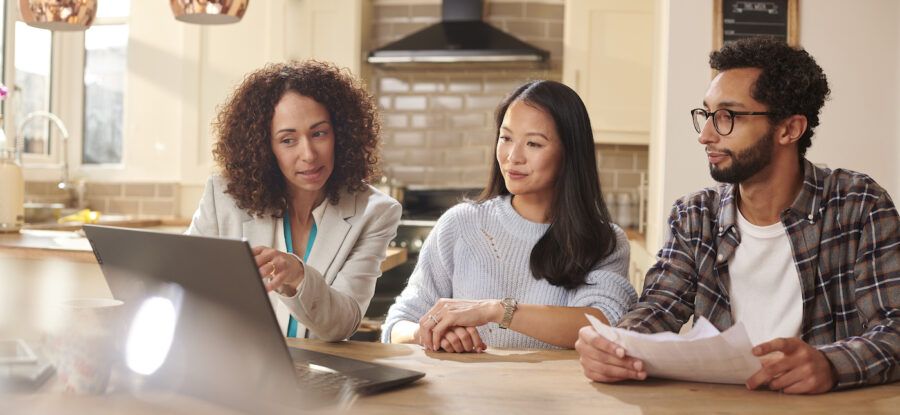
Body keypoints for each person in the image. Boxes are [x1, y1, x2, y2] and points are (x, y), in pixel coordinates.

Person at [576, 37, 899, 393]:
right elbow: (658, 308)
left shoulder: (858, 204)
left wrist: (831, 364)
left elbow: (895, 328)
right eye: (707, 115)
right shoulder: (696, 214)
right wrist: (615, 345)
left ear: (789, 129)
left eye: (728, 117)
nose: (706, 135)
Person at [382, 80, 637, 352]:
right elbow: (397, 325)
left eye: (534, 144)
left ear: (569, 153)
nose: (513, 157)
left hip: (558, 393)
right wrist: (427, 334)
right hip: (467, 391)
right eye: (506, 138)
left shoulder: (604, 241)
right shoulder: (460, 225)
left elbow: (604, 324)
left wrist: (496, 310)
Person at [186, 60, 401, 341]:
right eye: (288, 140)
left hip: (319, 375)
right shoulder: (223, 196)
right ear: (265, 147)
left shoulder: (375, 212)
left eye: (319, 133)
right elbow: (186, 284)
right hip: (233, 368)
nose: (309, 154)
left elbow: (342, 324)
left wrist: (298, 276)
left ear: (342, 134)